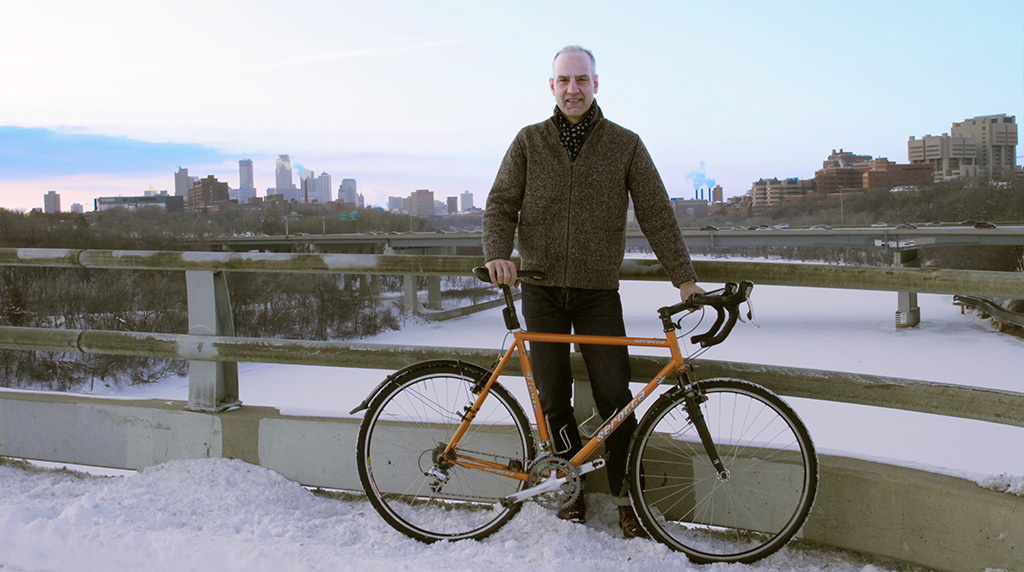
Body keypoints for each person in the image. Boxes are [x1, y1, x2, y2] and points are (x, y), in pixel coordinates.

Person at [482, 45, 704, 539]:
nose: (573, 89)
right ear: (552, 86)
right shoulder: (528, 141)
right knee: (553, 396)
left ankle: (628, 497)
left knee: (614, 395)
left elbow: (656, 214)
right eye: (563, 80)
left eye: (581, 79)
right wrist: (499, 252)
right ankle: (568, 492)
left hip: (598, 292)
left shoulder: (625, 144)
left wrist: (684, 277)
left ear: (596, 84)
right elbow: (499, 206)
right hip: (539, 289)